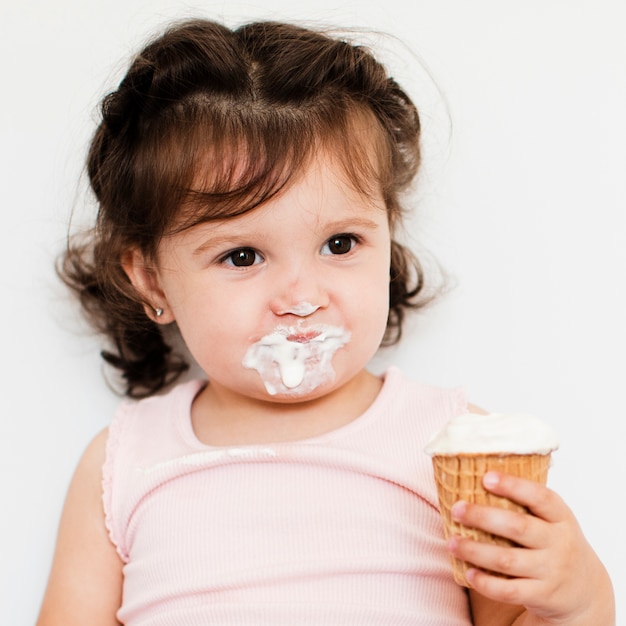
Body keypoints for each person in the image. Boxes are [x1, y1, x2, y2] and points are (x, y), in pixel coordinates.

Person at [37, 17, 615, 626]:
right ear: (151, 279)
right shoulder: (123, 460)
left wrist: (579, 600)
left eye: (340, 244)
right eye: (243, 256)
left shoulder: (455, 445)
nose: (302, 296)